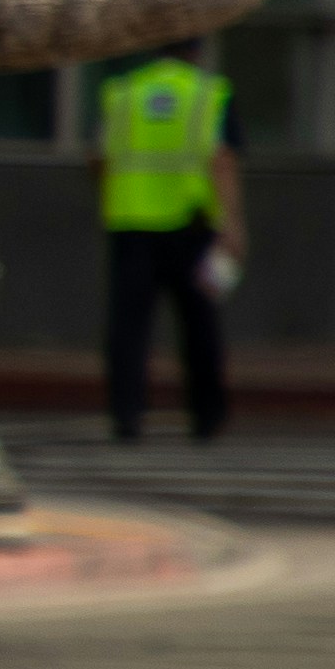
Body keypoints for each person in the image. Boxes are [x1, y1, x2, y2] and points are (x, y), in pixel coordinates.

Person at [95, 41, 238, 443]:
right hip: (192, 224)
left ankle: (126, 415)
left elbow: (99, 157)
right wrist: (232, 223)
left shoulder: (124, 91)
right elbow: (222, 159)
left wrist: (112, 198)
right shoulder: (209, 93)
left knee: (128, 326)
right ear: (196, 51)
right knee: (199, 324)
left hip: (131, 223)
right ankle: (207, 416)